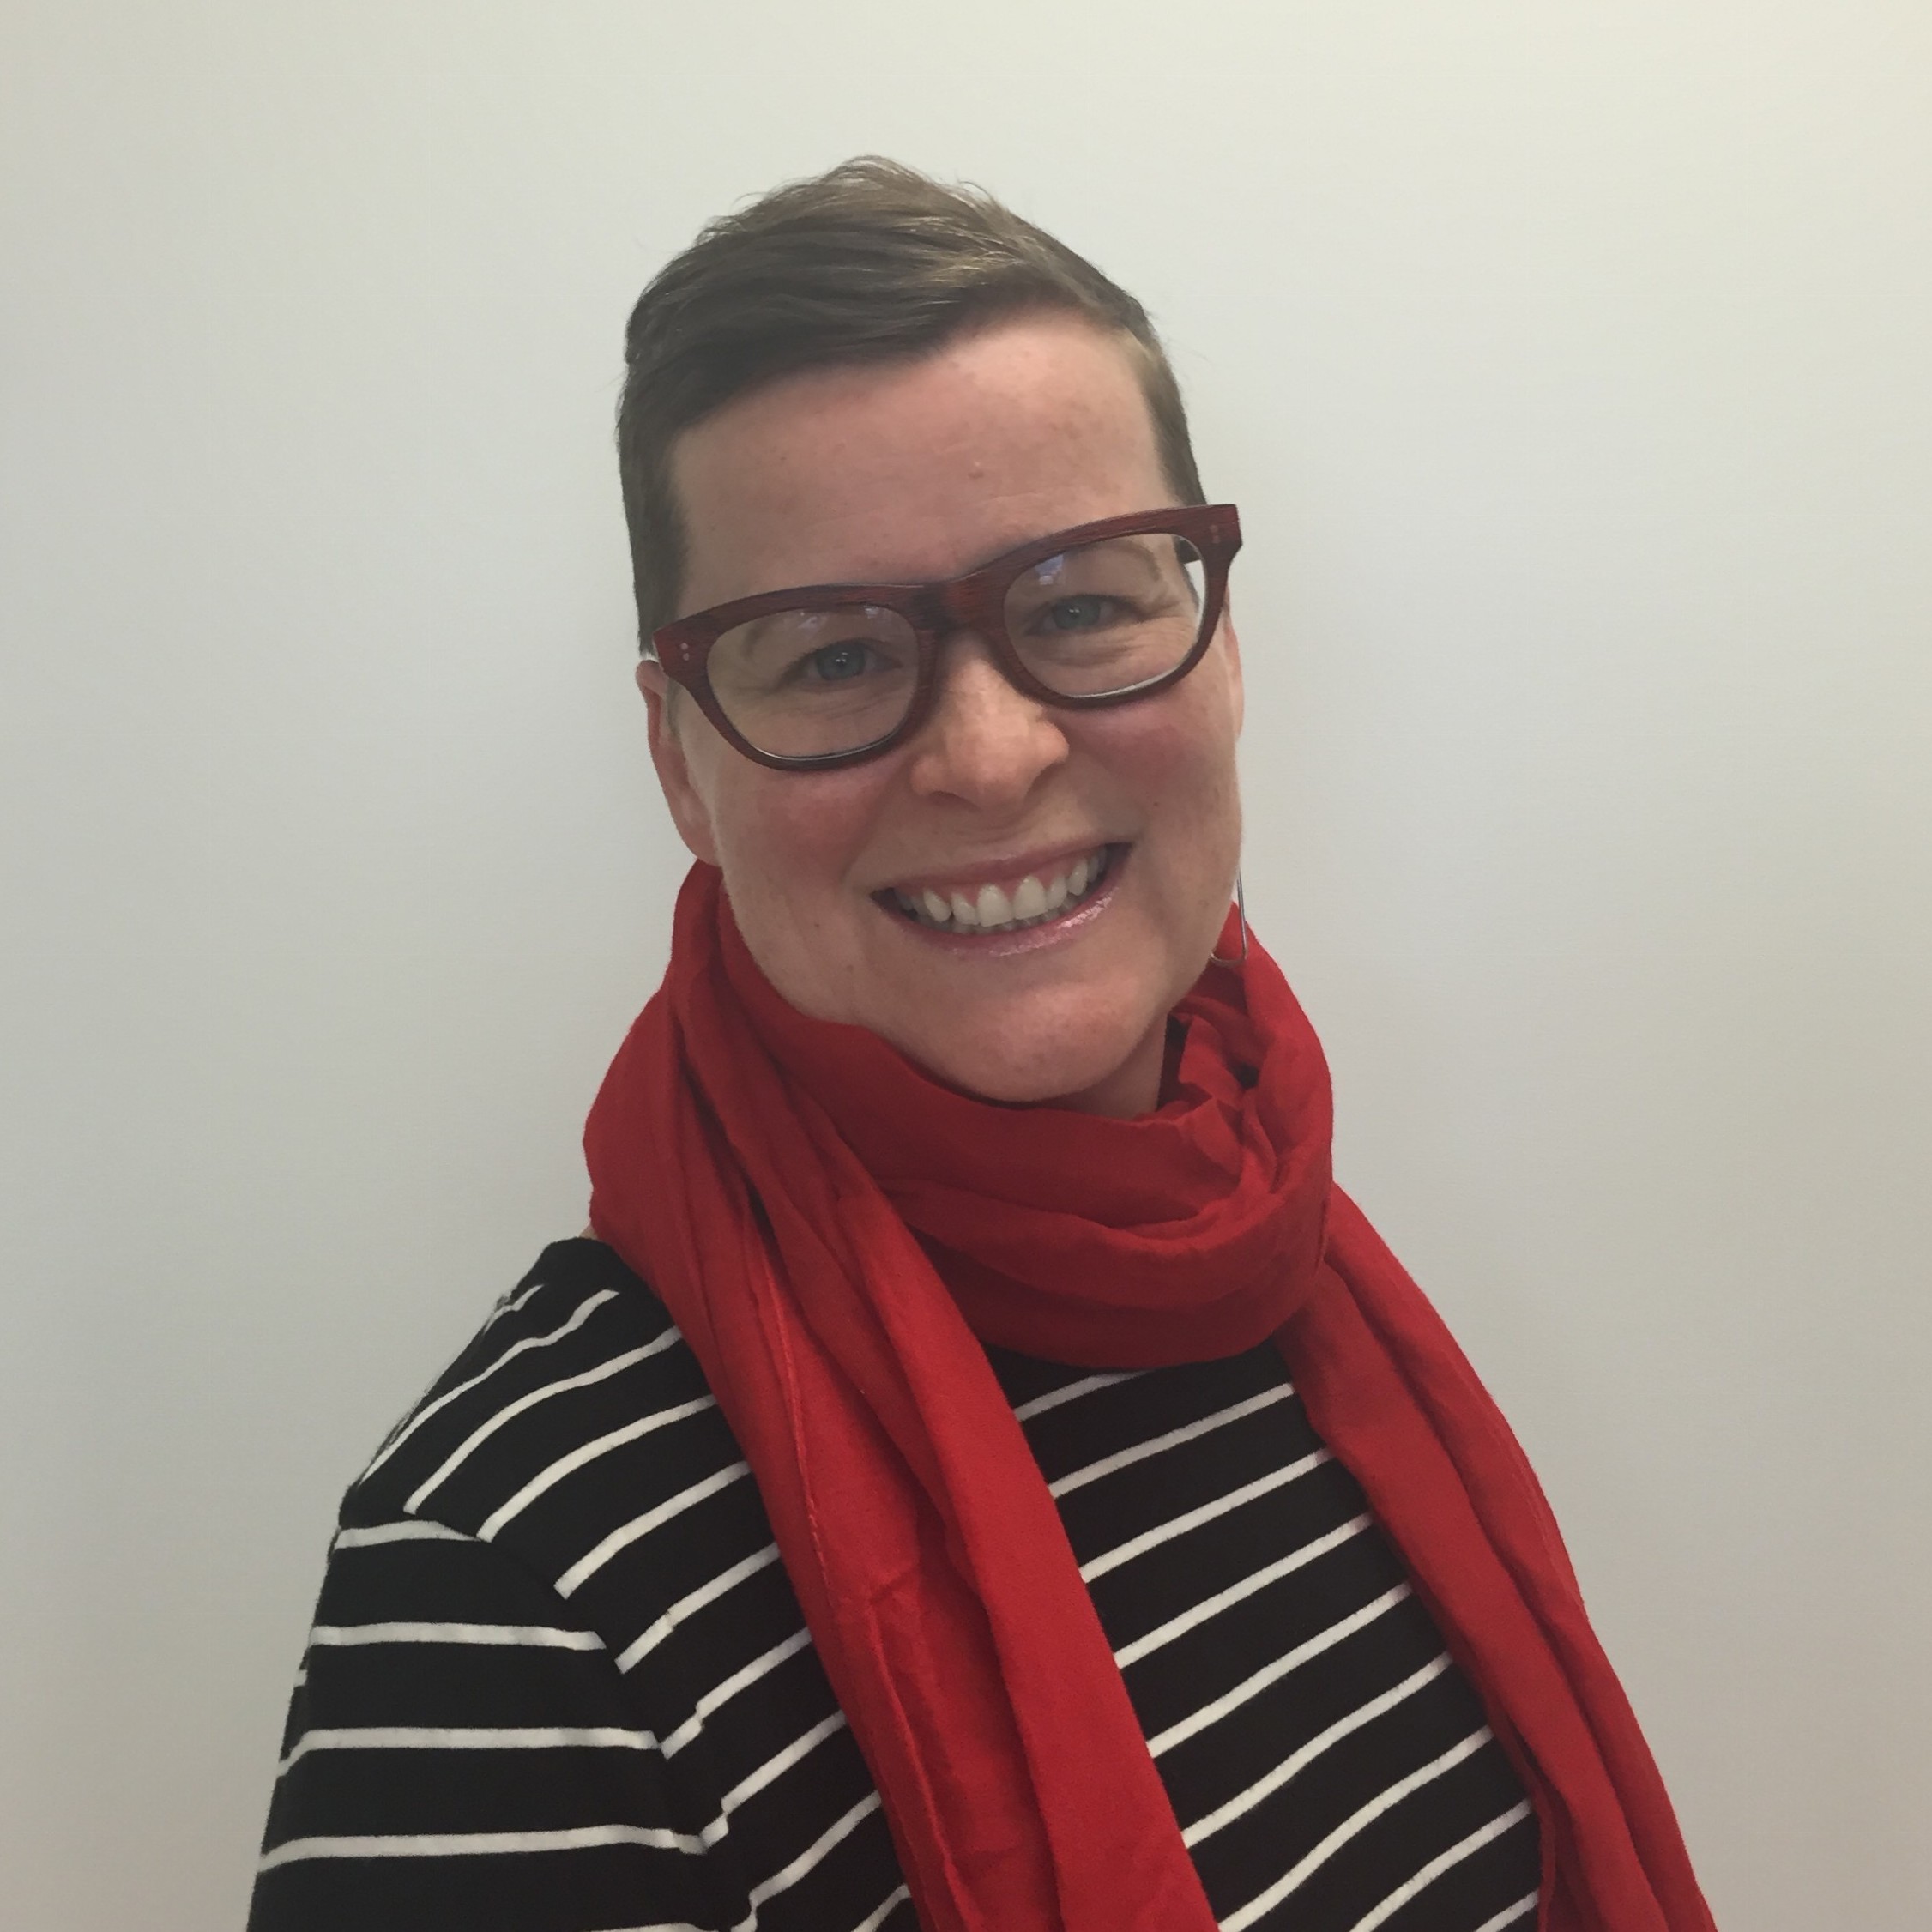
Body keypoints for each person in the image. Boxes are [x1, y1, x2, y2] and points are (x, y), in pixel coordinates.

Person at [249, 159, 1714, 1932]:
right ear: (676, 757)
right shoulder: (506, 1584)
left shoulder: (1271, 1255)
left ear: (1219, 641)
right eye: (831, 656)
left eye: (1083, 602)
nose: (991, 753)